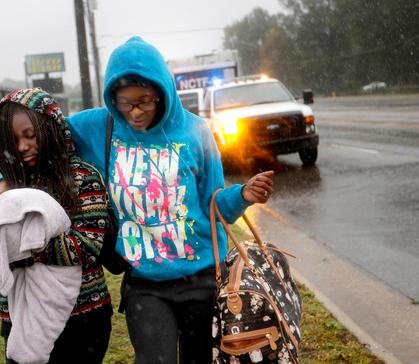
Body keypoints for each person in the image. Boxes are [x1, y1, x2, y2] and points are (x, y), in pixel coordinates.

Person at [67, 36, 274, 364]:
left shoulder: (195, 131)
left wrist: (242, 195)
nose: (135, 111)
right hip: (145, 285)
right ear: (112, 97)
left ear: (162, 93)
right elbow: (42, 137)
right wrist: (7, 177)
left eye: (145, 100)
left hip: (201, 279)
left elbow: (214, 203)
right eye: (124, 101)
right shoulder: (98, 127)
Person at [0, 88, 112, 364]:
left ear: (52, 129)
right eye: (12, 140)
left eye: (31, 135)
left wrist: (21, 250)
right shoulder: (5, 189)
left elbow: (85, 246)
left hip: (82, 315)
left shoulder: (82, 178)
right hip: (21, 318)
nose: (22, 147)